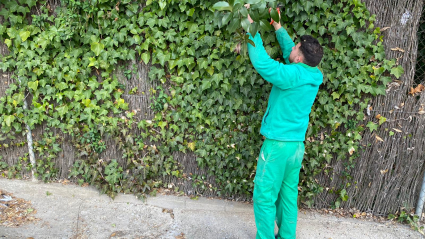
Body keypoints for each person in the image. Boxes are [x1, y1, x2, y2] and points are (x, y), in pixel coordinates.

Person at [244, 5, 324, 239]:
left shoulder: (291, 75)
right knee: (288, 195)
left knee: (264, 195)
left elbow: (264, 64)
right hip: (295, 147)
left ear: (299, 59)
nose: (293, 47)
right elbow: (292, 51)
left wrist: (251, 28)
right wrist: (277, 25)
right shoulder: (312, 73)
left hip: (277, 145)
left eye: (297, 47)